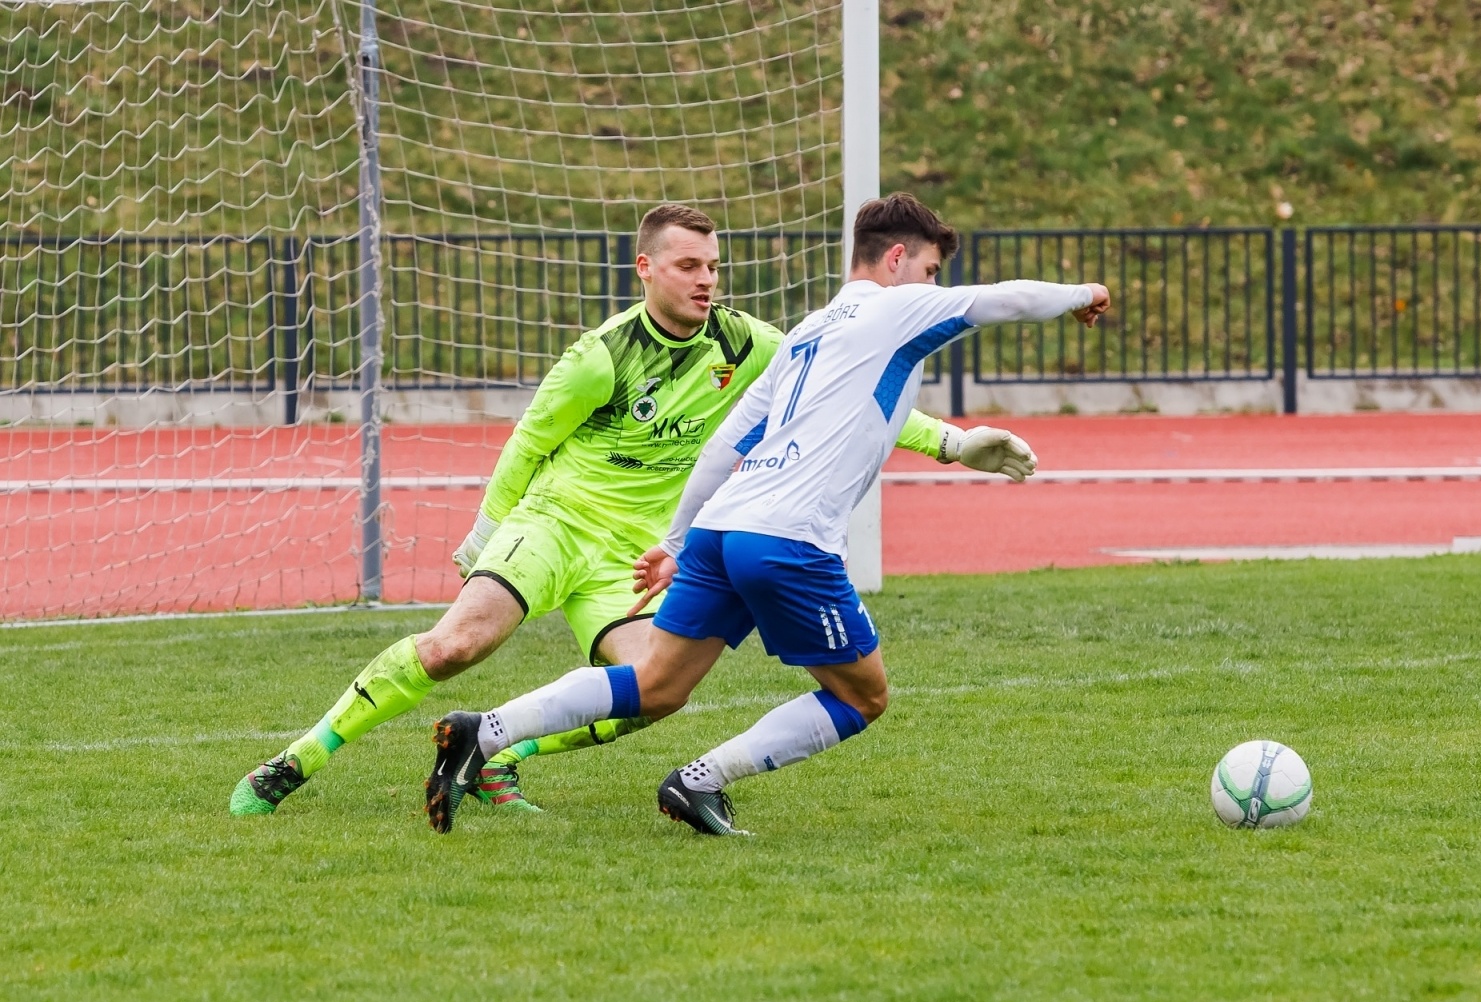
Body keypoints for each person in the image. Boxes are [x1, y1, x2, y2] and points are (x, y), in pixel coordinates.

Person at [230, 202, 1038, 816]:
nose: (705, 280)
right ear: (646, 270)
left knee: (657, 689)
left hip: (634, 555)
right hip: (554, 524)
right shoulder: (600, 357)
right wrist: (486, 532)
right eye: (687, 265)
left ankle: (497, 757)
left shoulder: (744, 341)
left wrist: (953, 444)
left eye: (712, 266)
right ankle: (300, 758)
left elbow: (831, 390)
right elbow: (526, 441)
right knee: (453, 648)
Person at [422, 192, 1111, 834]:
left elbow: (727, 444)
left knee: (657, 684)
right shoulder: (895, 308)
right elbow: (1002, 300)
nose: (934, 286)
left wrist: (678, 540)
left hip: (724, 529)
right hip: (789, 538)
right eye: (929, 270)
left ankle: (482, 732)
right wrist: (1085, 295)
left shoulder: (810, 331)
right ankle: (701, 779)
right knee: (863, 696)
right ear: (896, 260)